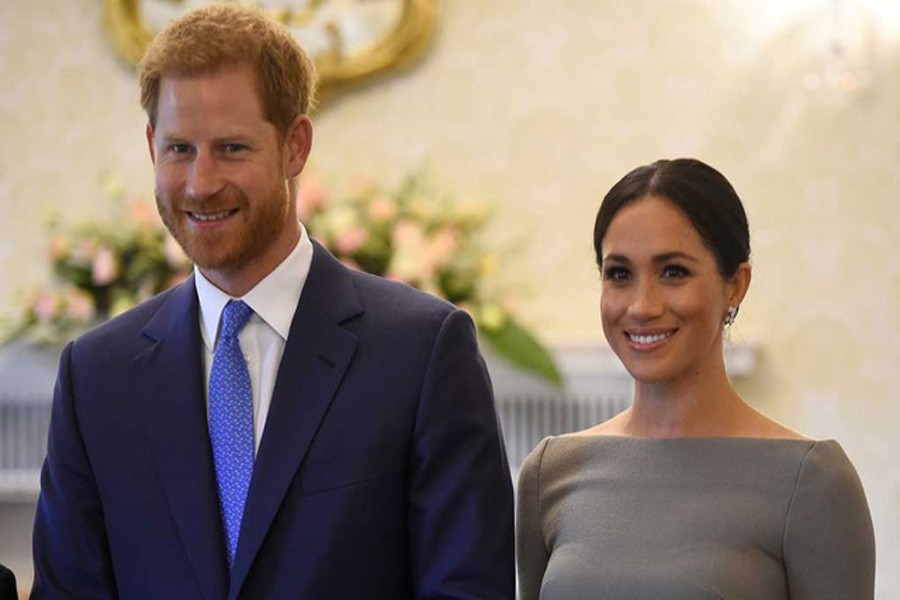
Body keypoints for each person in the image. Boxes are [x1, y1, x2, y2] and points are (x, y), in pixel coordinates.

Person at [32, 5, 514, 598]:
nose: (201, 183)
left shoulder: (421, 353)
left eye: (232, 148)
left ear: (295, 146)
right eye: (180, 148)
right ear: (151, 146)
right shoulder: (96, 376)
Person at [516, 158, 875, 599]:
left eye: (673, 272)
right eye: (619, 274)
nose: (641, 306)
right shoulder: (550, 474)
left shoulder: (811, 482)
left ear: (735, 285)